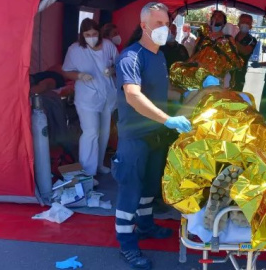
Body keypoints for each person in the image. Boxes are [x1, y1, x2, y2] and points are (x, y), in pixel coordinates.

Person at [113, 2, 192, 269]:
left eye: (167, 23)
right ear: (144, 25)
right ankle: (126, 244)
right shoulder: (131, 56)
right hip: (135, 137)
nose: (164, 28)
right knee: (130, 190)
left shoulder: (158, 55)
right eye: (158, 23)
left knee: (149, 187)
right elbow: (134, 96)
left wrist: (191, 95)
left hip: (155, 135)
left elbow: (159, 91)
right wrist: (169, 119)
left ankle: (145, 226)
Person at [62, 18, 118, 176]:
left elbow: (119, 63)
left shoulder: (108, 46)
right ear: (82, 35)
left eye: (94, 33)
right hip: (87, 98)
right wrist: (79, 75)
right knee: (91, 132)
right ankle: (87, 172)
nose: (91, 37)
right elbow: (66, 70)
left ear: (99, 32)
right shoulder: (75, 49)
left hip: (107, 94)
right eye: (88, 34)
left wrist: (111, 70)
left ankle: (99, 164)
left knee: (104, 131)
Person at [231, 14, 257, 91]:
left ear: (251, 26)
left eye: (248, 23)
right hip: (227, 70)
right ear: (238, 24)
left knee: (236, 94)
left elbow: (246, 51)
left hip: (240, 72)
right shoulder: (232, 35)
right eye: (243, 22)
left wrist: (232, 41)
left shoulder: (252, 40)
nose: (245, 24)